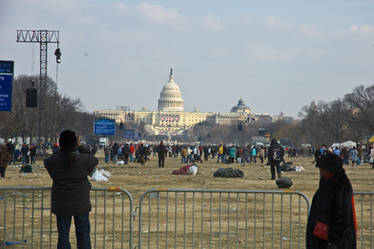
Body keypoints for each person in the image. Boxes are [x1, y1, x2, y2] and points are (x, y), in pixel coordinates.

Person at [44, 130, 98, 249]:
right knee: (83, 234)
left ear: (61, 143)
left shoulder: (54, 161)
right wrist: (80, 147)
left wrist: (61, 150)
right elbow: (93, 159)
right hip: (81, 202)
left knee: (63, 235)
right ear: (75, 144)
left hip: (61, 202)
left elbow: (48, 160)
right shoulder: (83, 160)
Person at [306, 152, 357, 249]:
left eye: (323, 168)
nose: (321, 171)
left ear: (331, 169)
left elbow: (342, 216)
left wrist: (333, 241)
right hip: (321, 238)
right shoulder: (327, 183)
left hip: (333, 241)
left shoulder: (340, 185)